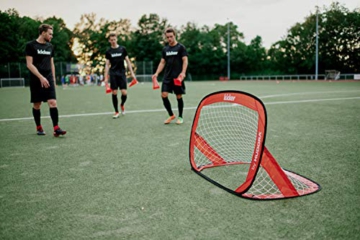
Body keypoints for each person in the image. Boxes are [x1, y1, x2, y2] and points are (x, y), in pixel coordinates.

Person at [25, 23, 66, 137]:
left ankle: (56, 128)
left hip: (48, 78)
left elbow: (51, 63)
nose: (51, 36)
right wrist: (41, 77)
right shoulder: (31, 45)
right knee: (37, 105)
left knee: (52, 102)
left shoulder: (50, 46)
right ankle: (39, 126)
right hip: (36, 78)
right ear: (43, 33)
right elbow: (29, 64)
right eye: (50, 34)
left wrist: (52, 79)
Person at [152, 28, 188, 125]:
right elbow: (162, 62)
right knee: (163, 95)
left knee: (178, 96)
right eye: (167, 37)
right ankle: (171, 115)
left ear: (175, 35)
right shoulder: (165, 49)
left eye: (171, 36)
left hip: (177, 77)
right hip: (167, 77)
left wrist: (183, 72)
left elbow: (185, 60)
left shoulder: (181, 48)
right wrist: (156, 73)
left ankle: (180, 116)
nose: (169, 39)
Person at [104, 33, 136, 118]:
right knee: (114, 92)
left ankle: (122, 104)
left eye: (114, 39)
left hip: (122, 73)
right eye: (111, 40)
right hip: (113, 73)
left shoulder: (122, 49)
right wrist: (105, 77)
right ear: (109, 41)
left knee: (124, 93)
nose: (113, 41)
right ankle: (116, 111)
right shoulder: (108, 51)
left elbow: (128, 61)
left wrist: (132, 73)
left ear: (116, 39)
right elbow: (107, 64)